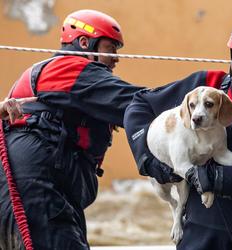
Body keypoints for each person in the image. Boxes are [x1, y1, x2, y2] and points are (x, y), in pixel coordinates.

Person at [124, 15, 232, 250]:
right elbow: (140, 104)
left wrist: (219, 178)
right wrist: (146, 158)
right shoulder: (206, 86)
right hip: (198, 237)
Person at [0, 9, 144, 250]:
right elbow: (135, 102)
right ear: (85, 43)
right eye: (111, 49)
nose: (116, 58)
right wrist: (200, 95)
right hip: (38, 190)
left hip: (49, 191)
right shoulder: (68, 70)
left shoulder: (70, 83)